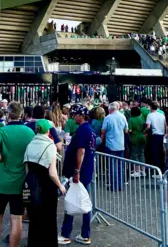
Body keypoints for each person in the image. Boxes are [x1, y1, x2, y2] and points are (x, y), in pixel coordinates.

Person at [0, 101, 35, 247]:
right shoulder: (29, 132)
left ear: (8, 114)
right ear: (21, 114)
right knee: (17, 219)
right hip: (20, 183)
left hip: (1, 182)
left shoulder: (2, 131)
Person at [24, 119, 67, 247]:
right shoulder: (50, 146)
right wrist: (60, 186)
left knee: (34, 218)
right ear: (48, 131)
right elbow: (52, 173)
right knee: (48, 219)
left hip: (31, 183)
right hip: (46, 187)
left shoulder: (30, 143)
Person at [58, 104, 95, 246]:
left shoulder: (82, 131)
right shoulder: (88, 130)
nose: (73, 117)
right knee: (83, 202)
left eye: (75, 115)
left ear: (82, 115)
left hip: (80, 172)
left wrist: (76, 171)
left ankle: (66, 233)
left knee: (72, 201)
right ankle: (84, 234)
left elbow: (81, 151)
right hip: (85, 171)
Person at [101, 102, 128, 190]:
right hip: (120, 144)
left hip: (110, 144)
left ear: (110, 109)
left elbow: (103, 131)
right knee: (120, 166)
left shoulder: (107, 118)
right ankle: (120, 185)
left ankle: (114, 186)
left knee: (112, 166)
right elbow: (126, 130)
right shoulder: (122, 116)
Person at [145, 101, 166, 173]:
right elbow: (164, 125)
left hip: (154, 135)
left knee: (154, 152)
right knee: (161, 151)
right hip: (161, 134)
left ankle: (155, 169)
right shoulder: (162, 115)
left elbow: (148, 126)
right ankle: (161, 168)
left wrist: (145, 131)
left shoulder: (150, 115)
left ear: (151, 107)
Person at [128, 106, 146, 177]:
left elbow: (130, 130)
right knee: (141, 154)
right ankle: (143, 170)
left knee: (134, 154)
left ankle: (137, 171)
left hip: (135, 137)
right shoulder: (141, 118)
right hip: (142, 137)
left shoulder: (131, 119)